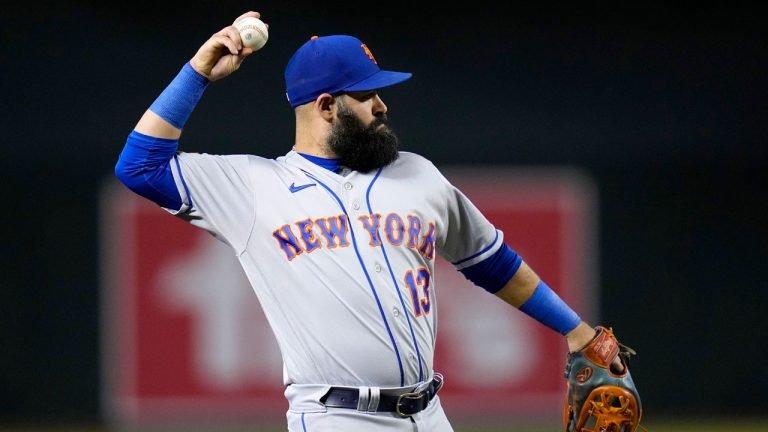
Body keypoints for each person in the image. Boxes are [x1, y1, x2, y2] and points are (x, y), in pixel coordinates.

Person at [115, 10, 619, 432]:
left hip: (431, 414)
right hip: (337, 418)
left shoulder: (417, 174)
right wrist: (198, 72)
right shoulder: (251, 188)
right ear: (327, 106)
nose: (383, 105)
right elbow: (139, 167)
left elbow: (490, 261)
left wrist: (576, 331)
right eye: (368, 95)